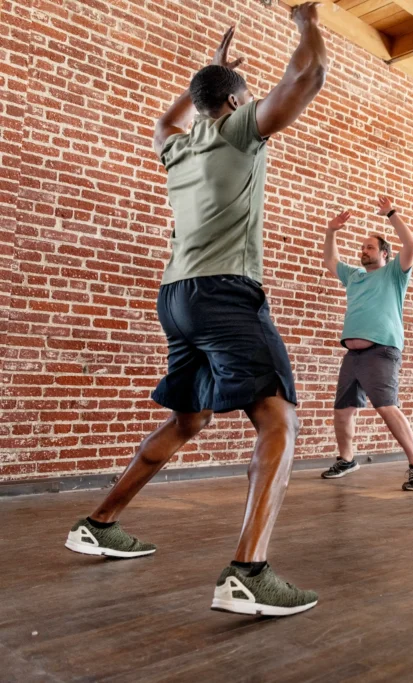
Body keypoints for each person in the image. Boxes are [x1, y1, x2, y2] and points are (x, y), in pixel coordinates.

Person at [64, 12, 329, 615]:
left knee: (191, 420)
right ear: (235, 102)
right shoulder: (238, 130)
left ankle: (100, 522)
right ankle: (249, 572)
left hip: (176, 297)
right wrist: (307, 19)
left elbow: (163, 120)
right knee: (278, 418)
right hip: (222, 294)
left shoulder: (175, 149)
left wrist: (205, 77)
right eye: (242, 98)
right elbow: (309, 75)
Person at [319, 197, 413, 491]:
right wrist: (331, 232)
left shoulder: (394, 273)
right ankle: (347, 459)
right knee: (343, 411)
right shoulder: (354, 276)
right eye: (362, 247)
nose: (363, 251)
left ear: (384, 253)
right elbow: (330, 261)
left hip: (381, 350)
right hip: (352, 355)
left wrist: (392, 214)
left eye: (370, 247)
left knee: (386, 406)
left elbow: (412, 245)